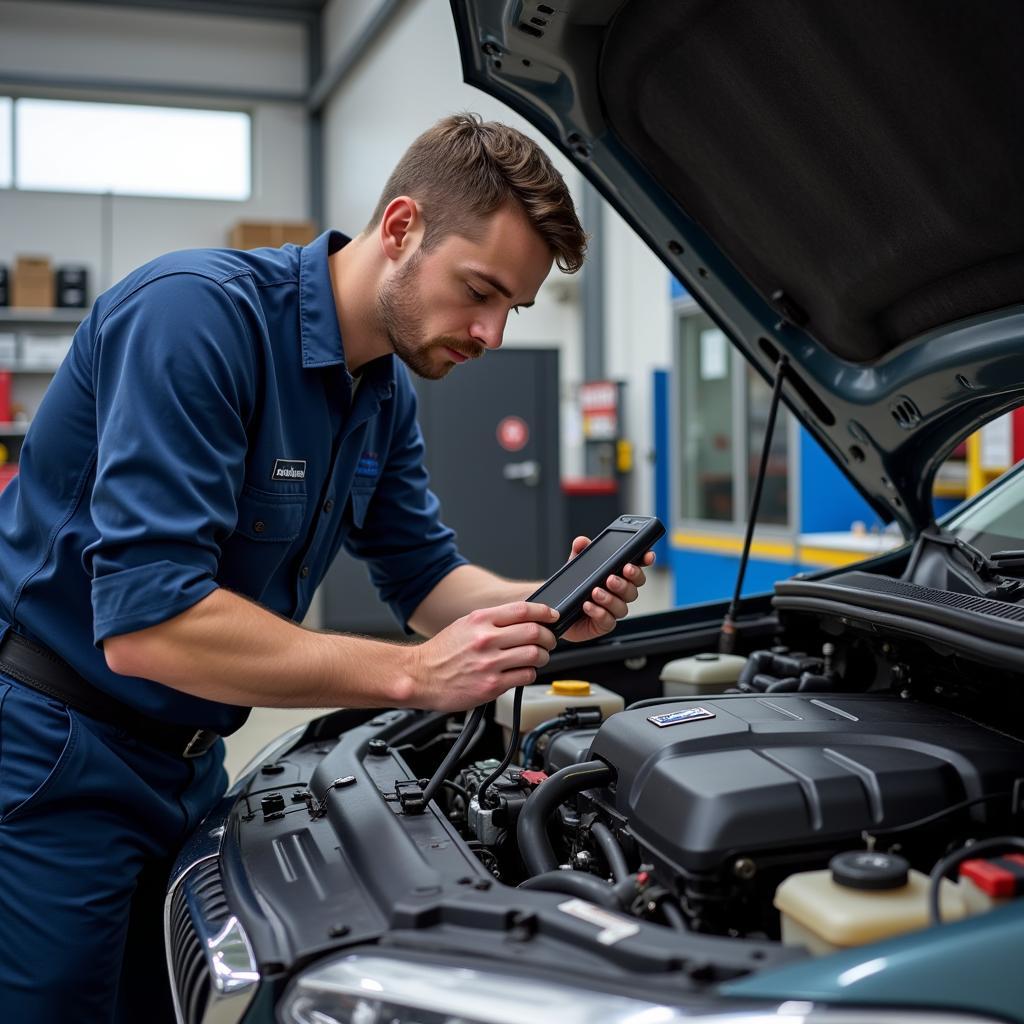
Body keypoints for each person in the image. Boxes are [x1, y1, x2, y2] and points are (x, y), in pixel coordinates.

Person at [0, 113, 653, 1021]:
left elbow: (426, 583)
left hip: (186, 770)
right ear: (400, 228)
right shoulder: (196, 318)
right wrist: (414, 676)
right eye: (480, 291)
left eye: (515, 309)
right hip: (54, 759)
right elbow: (149, 627)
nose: (493, 333)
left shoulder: (379, 391)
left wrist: (548, 606)